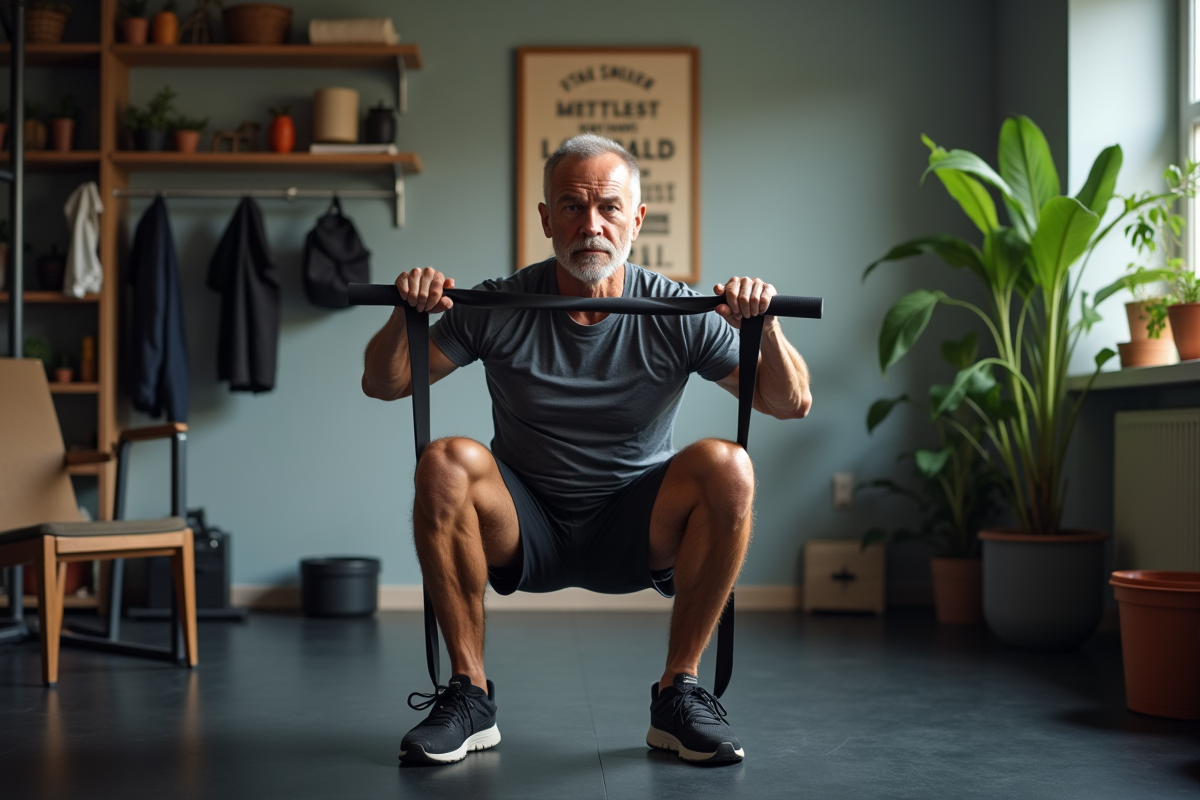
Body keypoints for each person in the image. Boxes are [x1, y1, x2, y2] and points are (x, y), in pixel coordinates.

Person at [362, 133, 812, 766]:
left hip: (637, 528)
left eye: (608, 207)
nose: (591, 225)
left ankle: (678, 694)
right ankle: (470, 695)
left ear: (637, 219)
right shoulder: (500, 302)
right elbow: (386, 383)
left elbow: (789, 402)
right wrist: (403, 312)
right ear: (547, 219)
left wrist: (767, 325)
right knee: (445, 460)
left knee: (728, 466)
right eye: (572, 207)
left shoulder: (676, 310)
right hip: (524, 527)